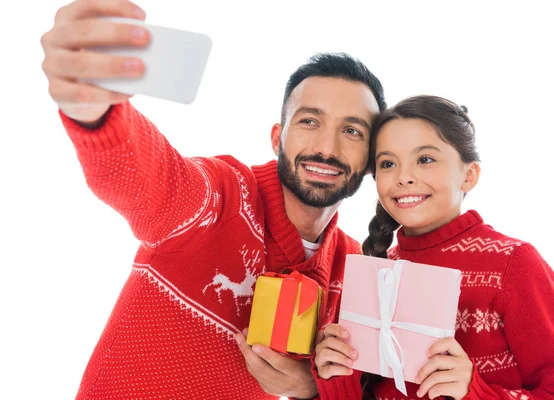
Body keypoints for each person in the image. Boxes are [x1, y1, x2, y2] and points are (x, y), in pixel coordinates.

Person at [39, 1, 387, 399]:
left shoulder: (356, 275)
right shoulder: (220, 195)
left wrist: (316, 390)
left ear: (372, 161)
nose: (327, 147)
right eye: (309, 121)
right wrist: (95, 111)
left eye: (353, 131)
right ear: (277, 138)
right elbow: (151, 180)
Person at [313, 95, 554, 399]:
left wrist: (474, 391)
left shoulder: (514, 265)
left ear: (469, 175)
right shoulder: (376, 271)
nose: (404, 177)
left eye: (425, 159)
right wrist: (334, 374)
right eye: (388, 163)